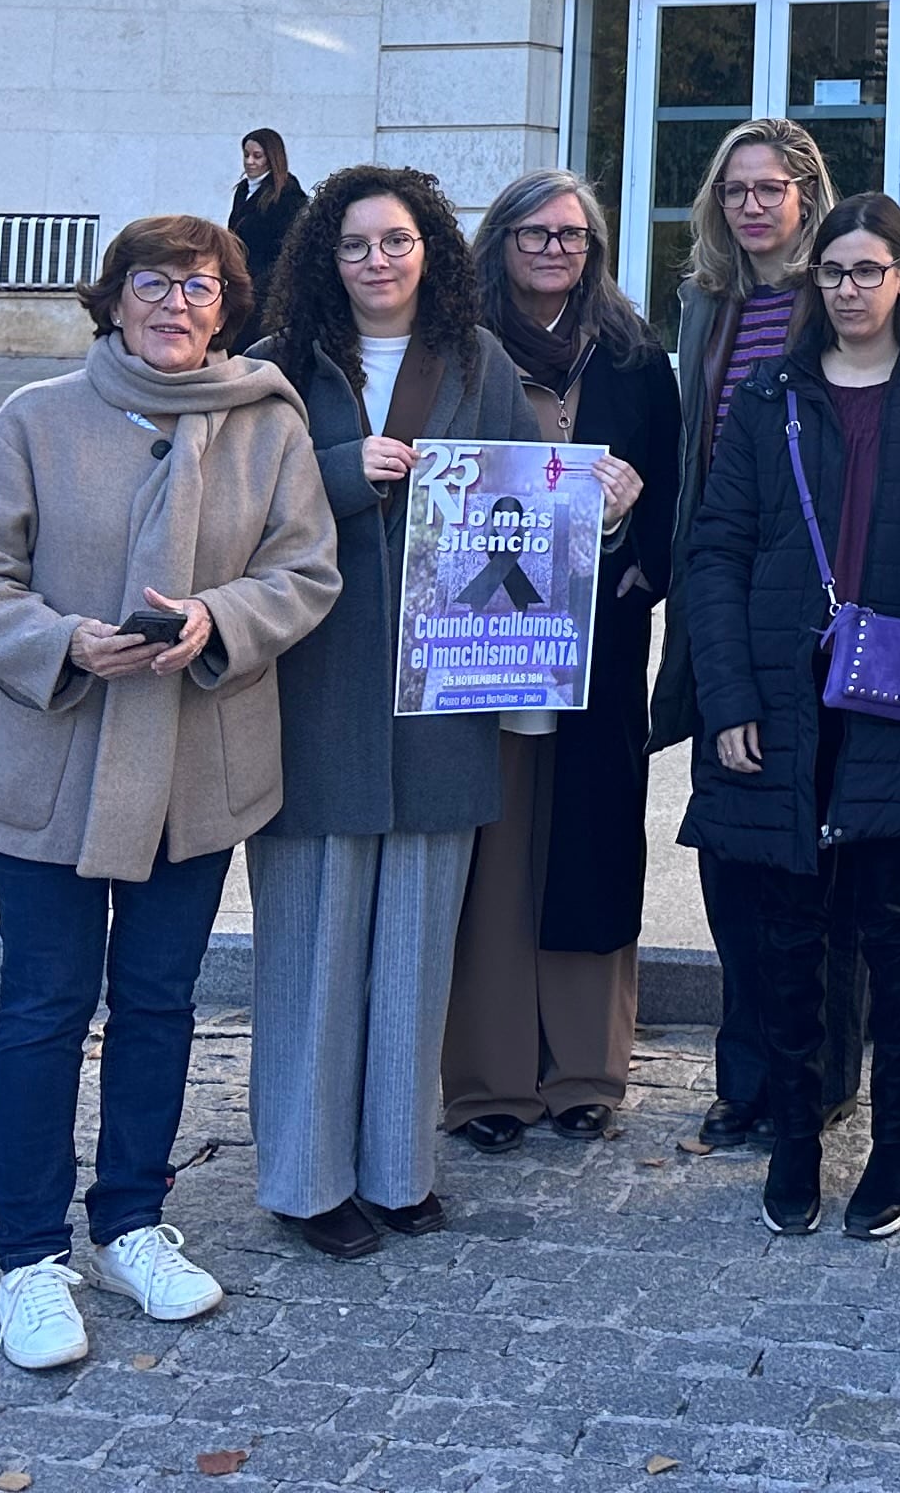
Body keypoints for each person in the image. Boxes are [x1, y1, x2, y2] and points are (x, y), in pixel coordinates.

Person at [0, 215, 340, 1373]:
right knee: (46, 1003)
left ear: (228, 306)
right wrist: (61, 642)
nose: (176, 303)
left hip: (196, 760)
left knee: (159, 999)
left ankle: (131, 1222)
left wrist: (220, 620)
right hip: (52, 760)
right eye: (153, 283)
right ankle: (28, 1256)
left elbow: (305, 571)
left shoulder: (268, 425)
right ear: (111, 301)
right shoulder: (37, 418)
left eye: (201, 286)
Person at [680, 191, 900, 1240]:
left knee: (893, 931)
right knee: (786, 929)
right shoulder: (770, 396)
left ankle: (898, 1141)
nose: (850, 289)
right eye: (834, 273)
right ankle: (801, 1137)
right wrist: (723, 695)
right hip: (782, 693)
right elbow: (715, 552)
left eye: (870, 269)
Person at [244, 163, 535, 1258]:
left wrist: (591, 502)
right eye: (357, 244)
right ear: (326, 256)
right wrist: (337, 469)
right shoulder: (273, 370)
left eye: (397, 241)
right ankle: (307, 1181)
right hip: (315, 687)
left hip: (441, 688)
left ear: (432, 252)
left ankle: (399, 1170)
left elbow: (522, 498)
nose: (378, 261)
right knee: (313, 950)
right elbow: (230, 506)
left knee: (414, 949)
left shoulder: (476, 360)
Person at [442, 168, 679, 1153]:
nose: (554, 250)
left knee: (589, 840)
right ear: (498, 242)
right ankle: (489, 1079)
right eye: (534, 234)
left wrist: (628, 532)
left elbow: (671, 497)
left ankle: (587, 1068)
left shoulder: (631, 356)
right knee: (496, 846)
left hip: (599, 638)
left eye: (573, 236)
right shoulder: (454, 352)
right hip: (482, 637)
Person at [648, 115, 851, 1152]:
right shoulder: (708, 303)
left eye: (770, 187)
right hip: (719, 587)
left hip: (815, 599)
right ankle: (747, 1073)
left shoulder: (844, 291)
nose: (752, 205)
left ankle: (819, 1074)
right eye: (735, 189)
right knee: (729, 845)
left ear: (806, 195)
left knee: (815, 850)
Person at [229, 131, 307, 312]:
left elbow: (287, 248)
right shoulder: (243, 190)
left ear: (271, 158)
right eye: (246, 155)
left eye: (257, 156)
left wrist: (259, 283)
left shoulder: (288, 197)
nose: (249, 161)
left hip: (265, 289)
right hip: (240, 280)